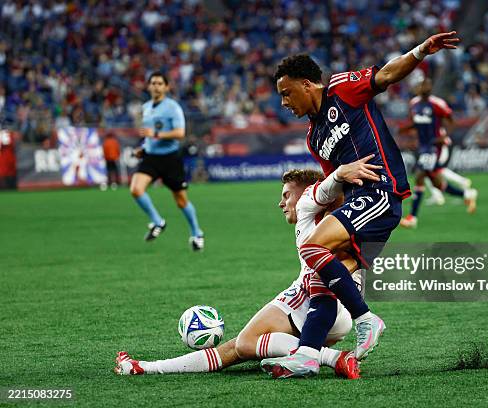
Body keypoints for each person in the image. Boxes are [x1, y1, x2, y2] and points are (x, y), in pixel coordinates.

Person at [265, 31, 460, 375]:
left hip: (380, 193)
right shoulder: (314, 137)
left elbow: (386, 74)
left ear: (308, 84)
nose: (283, 102)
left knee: (311, 248)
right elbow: (336, 186)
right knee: (318, 278)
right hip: (357, 206)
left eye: (286, 92)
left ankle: (366, 318)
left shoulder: (342, 89)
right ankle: (308, 355)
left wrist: (420, 51)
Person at [115, 160, 378, 379]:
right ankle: (147, 367)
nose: (281, 202)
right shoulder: (341, 222)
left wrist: (339, 173)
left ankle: (334, 358)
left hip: (313, 297)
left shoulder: (310, 206)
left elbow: (326, 189)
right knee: (238, 349)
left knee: (244, 343)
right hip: (340, 308)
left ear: (306, 192)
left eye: (287, 194)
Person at [130, 72, 204, 251]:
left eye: (159, 83)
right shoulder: (146, 107)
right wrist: (144, 148)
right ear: (148, 87)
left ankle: (197, 234)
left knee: (181, 201)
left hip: (170, 158)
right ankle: (157, 222)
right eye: (153, 83)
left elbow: (180, 133)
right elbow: (149, 135)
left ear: (166, 87)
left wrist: (155, 135)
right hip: (151, 157)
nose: (156, 86)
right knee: (136, 189)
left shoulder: (173, 107)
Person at [399, 78, 477, 229]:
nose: (425, 87)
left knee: (420, 175)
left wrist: (445, 135)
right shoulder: (414, 104)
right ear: (418, 88)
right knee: (436, 182)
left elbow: (452, 121)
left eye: (428, 85)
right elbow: (416, 122)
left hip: (435, 146)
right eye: (423, 84)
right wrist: (406, 130)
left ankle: (412, 218)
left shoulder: (437, 104)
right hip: (423, 147)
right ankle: (466, 194)